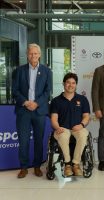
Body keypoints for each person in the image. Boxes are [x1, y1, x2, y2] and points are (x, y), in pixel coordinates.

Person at [12, 43, 52, 178]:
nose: (33, 56)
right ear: (27, 55)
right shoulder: (19, 70)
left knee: (38, 140)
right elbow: (15, 91)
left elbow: (48, 92)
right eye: (31, 53)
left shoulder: (47, 71)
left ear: (39, 55)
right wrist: (25, 102)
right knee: (23, 141)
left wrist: (36, 103)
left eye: (35, 53)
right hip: (23, 110)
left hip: (39, 111)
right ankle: (23, 167)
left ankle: (37, 166)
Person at [50, 73, 90, 176]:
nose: (70, 85)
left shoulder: (82, 99)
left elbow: (86, 117)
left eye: (73, 83)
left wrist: (81, 125)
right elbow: (54, 119)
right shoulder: (56, 101)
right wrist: (57, 127)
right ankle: (67, 164)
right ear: (64, 84)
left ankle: (75, 164)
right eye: (68, 82)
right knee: (63, 136)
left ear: (76, 85)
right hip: (62, 128)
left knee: (83, 134)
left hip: (78, 127)